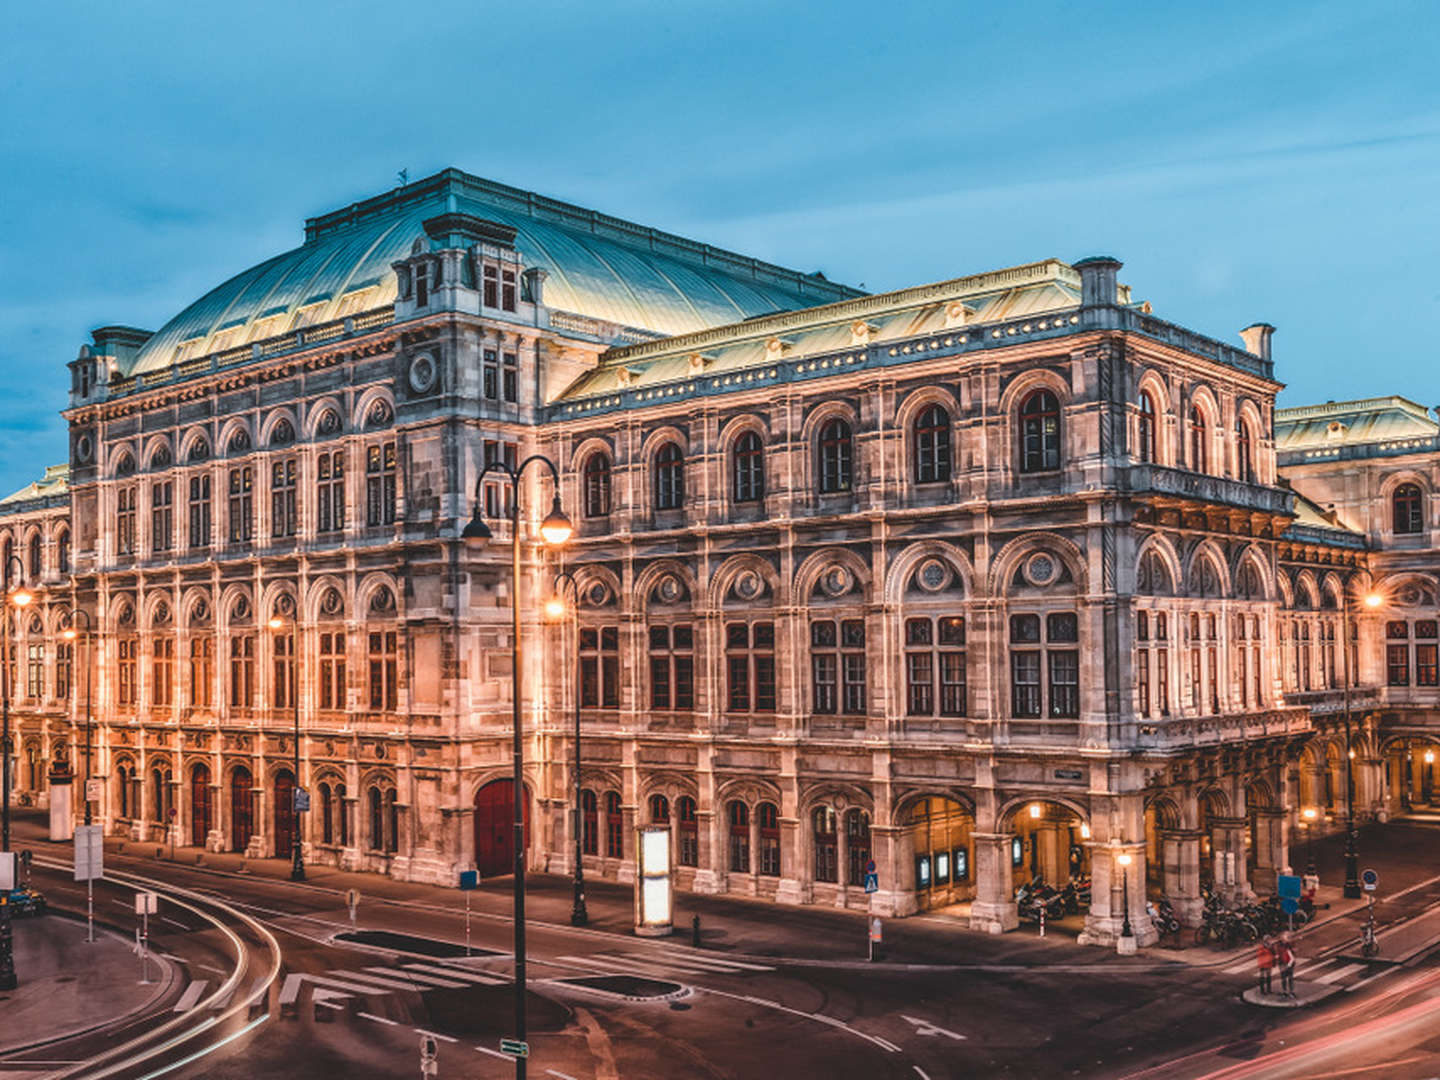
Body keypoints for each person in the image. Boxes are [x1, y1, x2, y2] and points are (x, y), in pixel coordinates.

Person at [1276, 934, 1297, 998]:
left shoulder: (1288, 945)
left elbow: (1292, 954)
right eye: (1285, 939)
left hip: (1289, 964)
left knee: (1290, 978)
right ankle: (1285, 991)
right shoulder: (1279, 946)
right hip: (1283, 964)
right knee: (1284, 979)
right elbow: (1278, 955)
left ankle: (1291, 991)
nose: (1286, 940)